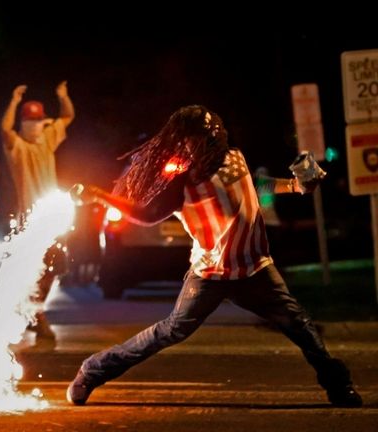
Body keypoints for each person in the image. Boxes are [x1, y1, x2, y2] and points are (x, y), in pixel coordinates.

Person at [66, 105, 362, 408]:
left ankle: (339, 387)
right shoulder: (181, 177)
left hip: (255, 268)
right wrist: (100, 194)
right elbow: (148, 215)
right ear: (185, 141)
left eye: (211, 136)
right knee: (170, 331)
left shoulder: (234, 156)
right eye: (198, 138)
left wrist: (295, 185)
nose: (207, 142)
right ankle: (93, 370)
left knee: (299, 325)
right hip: (211, 274)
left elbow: (254, 183)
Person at [1, 81, 75, 341]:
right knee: (35, 268)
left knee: (55, 267)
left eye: (38, 121)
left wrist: (62, 96)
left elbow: (67, 116)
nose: (35, 126)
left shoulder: (47, 141)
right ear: (24, 123)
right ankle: (36, 314)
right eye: (30, 121)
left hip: (52, 217)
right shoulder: (18, 148)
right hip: (29, 220)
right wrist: (13, 102)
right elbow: (4, 130)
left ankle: (35, 310)